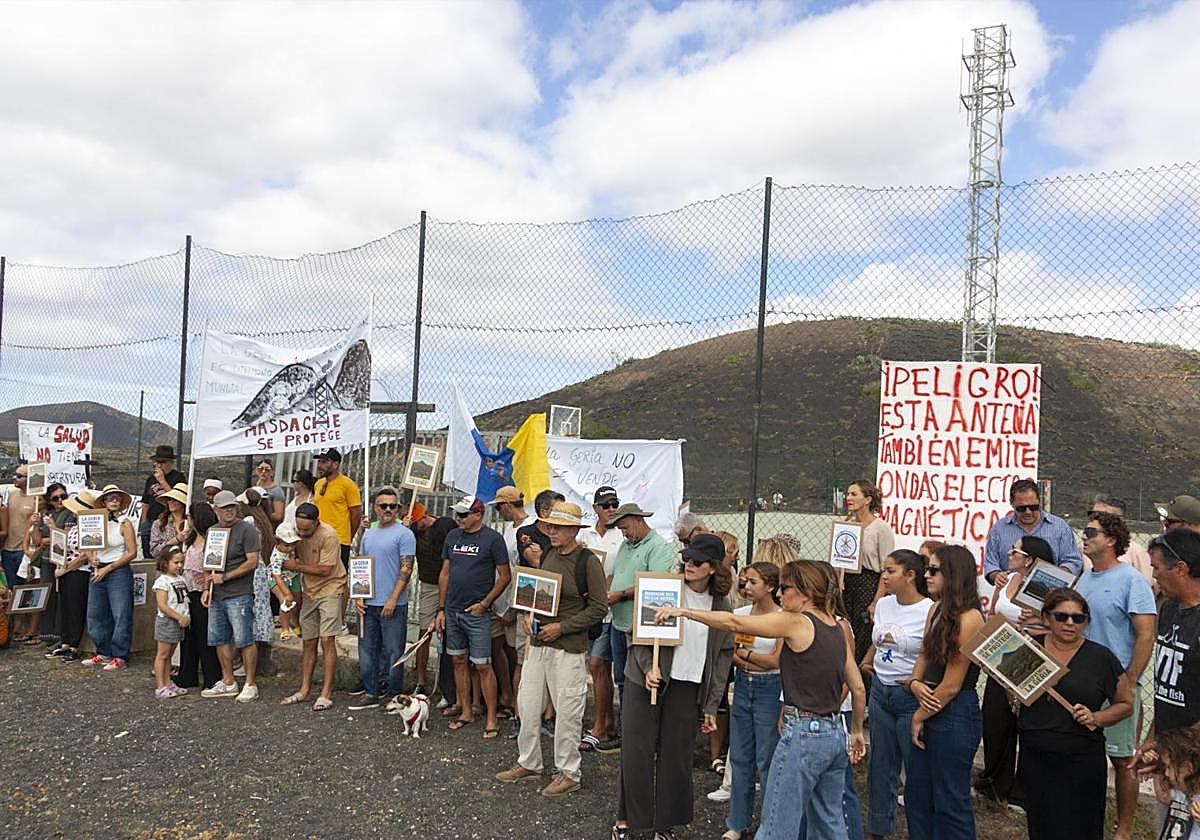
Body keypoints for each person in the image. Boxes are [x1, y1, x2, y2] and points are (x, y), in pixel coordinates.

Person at [656, 556, 864, 840]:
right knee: (830, 822)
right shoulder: (837, 627)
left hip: (802, 733)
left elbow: (731, 621)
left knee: (778, 822)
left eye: (786, 587)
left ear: (805, 592)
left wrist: (684, 612)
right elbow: (858, 687)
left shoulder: (798, 622)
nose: (780, 593)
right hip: (833, 732)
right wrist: (855, 731)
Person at [611, 532, 735, 840]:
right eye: (687, 558)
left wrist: (711, 705)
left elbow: (722, 659)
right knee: (636, 751)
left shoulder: (722, 605)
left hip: (688, 685)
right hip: (646, 679)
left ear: (713, 567)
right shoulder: (664, 587)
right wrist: (647, 667)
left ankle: (664, 825)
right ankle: (626, 818)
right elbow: (638, 634)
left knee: (676, 756)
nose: (689, 564)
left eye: (698, 561)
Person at [495, 502, 608, 797]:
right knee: (529, 704)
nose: (551, 531)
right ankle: (529, 762)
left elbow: (599, 607)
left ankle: (569, 772)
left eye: (557, 527)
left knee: (568, 710)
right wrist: (531, 615)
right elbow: (539, 594)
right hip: (539, 644)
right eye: (550, 526)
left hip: (568, 648)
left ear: (573, 530)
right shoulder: (548, 555)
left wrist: (562, 627)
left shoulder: (587, 562)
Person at [1017, 587, 1133, 840]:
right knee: (1041, 825)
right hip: (1035, 757)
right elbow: (1014, 698)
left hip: (1081, 761)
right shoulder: (1028, 650)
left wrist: (1096, 717)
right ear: (1046, 617)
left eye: (1078, 618)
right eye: (1062, 616)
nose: (1070, 623)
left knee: (1081, 828)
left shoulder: (1101, 657)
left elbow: (1125, 703)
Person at [1075, 511, 1157, 840]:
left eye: (1091, 532)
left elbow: (1145, 635)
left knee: (1123, 759)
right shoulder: (1085, 577)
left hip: (1116, 683)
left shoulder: (1131, 580)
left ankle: (1123, 830)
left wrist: (1129, 679)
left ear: (1110, 540)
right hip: (1083, 680)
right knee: (1084, 751)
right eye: (1084, 531)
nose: (1085, 536)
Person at [905, 544, 985, 840]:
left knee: (951, 800)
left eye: (934, 570)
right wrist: (914, 682)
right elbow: (924, 653)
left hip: (954, 711)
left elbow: (952, 684)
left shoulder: (970, 618)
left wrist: (918, 717)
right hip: (929, 702)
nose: (926, 575)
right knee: (918, 794)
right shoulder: (936, 608)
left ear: (953, 574)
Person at [974, 534, 1055, 806]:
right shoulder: (1007, 579)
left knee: (1027, 721)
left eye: (1015, 551)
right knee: (996, 718)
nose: (1010, 555)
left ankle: (1023, 791)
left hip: (1033, 649)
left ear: (1030, 559)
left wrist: (1038, 619)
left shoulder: (1047, 586)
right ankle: (995, 782)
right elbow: (994, 614)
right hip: (1005, 649)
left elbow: (1055, 623)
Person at [860, 549, 931, 840]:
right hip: (881, 692)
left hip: (908, 696)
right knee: (880, 766)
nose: (884, 576)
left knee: (915, 770)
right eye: (884, 570)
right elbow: (881, 638)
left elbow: (929, 652)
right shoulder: (885, 605)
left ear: (910, 575)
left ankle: (921, 830)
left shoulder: (929, 610)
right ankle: (878, 829)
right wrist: (867, 660)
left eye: (891, 571)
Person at [435, 495, 511, 738]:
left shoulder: (493, 539)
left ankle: (491, 718)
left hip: (477, 613)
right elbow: (445, 573)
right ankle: (466, 711)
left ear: (478, 515)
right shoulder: (452, 537)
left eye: (464, 514)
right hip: (453, 610)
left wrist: (485, 603)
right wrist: (441, 608)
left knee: (482, 665)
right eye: (457, 514)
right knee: (458, 661)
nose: (459, 518)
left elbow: (505, 575)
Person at [1131, 530, 1200, 787]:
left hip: (1190, 760)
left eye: (1157, 567)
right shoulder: (1169, 609)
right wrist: (1154, 741)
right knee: (1169, 825)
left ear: (1181, 568)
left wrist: (1177, 752)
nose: (1154, 575)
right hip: (1170, 757)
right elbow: (1163, 690)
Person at [721, 561, 783, 840]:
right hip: (745, 687)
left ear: (770, 586)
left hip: (771, 689)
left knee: (767, 758)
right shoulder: (741, 613)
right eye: (745, 581)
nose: (746, 586)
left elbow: (774, 662)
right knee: (740, 755)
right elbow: (729, 651)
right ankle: (738, 821)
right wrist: (749, 659)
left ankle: (770, 824)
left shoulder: (783, 617)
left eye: (753, 582)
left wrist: (744, 656)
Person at [350, 487, 415, 710]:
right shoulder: (368, 533)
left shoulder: (405, 534)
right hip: (368, 603)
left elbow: (406, 569)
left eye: (393, 506)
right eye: (383, 505)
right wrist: (358, 596)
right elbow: (360, 563)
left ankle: (395, 695)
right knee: (367, 650)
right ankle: (370, 691)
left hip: (393, 605)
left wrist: (392, 599)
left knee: (394, 651)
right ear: (375, 507)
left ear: (398, 508)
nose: (388, 509)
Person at [607, 502, 676, 704]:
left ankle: (632, 727)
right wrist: (609, 592)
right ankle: (624, 726)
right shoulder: (625, 545)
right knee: (620, 677)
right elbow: (616, 573)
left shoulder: (658, 547)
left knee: (637, 680)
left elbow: (656, 587)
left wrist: (620, 595)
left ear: (639, 520)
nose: (623, 533)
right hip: (619, 623)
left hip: (639, 629)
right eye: (620, 530)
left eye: (625, 528)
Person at [280, 502, 346, 711]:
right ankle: (305, 688)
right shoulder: (294, 532)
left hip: (331, 587)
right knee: (308, 641)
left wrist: (296, 566)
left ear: (317, 523)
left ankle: (326, 692)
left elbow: (326, 570)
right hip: (309, 591)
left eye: (307, 530)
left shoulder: (329, 535)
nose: (302, 533)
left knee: (327, 639)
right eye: (299, 528)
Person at [199, 490, 262, 702]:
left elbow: (252, 561)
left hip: (239, 593)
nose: (229, 511)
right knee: (219, 638)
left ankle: (250, 683)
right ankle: (228, 681)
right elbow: (208, 562)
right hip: (217, 594)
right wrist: (208, 588)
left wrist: (225, 577)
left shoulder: (247, 529)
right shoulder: (212, 531)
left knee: (244, 638)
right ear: (215, 509)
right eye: (224, 507)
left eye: (231, 507)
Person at [578, 485, 624, 753]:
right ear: (595, 507)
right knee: (599, 669)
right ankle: (605, 723)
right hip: (589, 610)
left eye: (614, 504)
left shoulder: (623, 536)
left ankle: (599, 727)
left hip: (612, 610)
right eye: (605, 505)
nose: (610, 509)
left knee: (597, 666)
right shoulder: (584, 535)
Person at [81, 484, 138, 671]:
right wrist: (92, 558)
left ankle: (120, 655)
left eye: (117, 498)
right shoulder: (96, 521)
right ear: (104, 501)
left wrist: (109, 569)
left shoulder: (125, 523)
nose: (114, 500)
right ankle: (102, 651)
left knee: (120, 613)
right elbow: (88, 546)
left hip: (117, 570)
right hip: (99, 569)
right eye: (110, 498)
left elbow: (132, 552)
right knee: (96, 613)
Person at [984, 478, 1082, 584]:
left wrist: (1056, 578)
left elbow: (1073, 561)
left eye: (1033, 507)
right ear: (1012, 504)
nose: (1028, 512)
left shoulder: (1060, 527)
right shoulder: (999, 529)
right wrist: (997, 576)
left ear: (1039, 501)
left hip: (1050, 593)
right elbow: (991, 564)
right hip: (1009, 592)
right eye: (1021, 508)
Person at [843, 479, 895, 673]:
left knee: (863, 632)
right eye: (847, 494)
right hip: (848, 583)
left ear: (867, 499)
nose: (848, 498)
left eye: (854, 494)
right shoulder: (845, 524)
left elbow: (885, 568)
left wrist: (876, 601)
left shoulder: (881, 528)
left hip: (869, 583)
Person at [411, 501, 456, 701]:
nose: (414, 525)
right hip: (428, 584)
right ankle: (420, 682)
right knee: (424, 631)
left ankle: (449, 686)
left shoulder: (445, 526)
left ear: (424, 516)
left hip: (450, 583)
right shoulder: (411, 532)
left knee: (449, 635)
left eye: (416, 521)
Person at [177, 502, 222, 690]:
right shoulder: (191, 539)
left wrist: (207, 587)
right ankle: (187, 673)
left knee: (204, 635)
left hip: (202, 590)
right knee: (188, 635)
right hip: (188, 590)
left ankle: (211, 676)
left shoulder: (211, 540)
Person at [46, 491, 94, 662]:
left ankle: (74, 645)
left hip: (80, 572)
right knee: (65, 606)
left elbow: (83, 556)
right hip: (66, 570)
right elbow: (63, 544)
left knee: (75, 608)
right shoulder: (74, 527)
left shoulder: (90, 528)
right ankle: (65, 641)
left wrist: (65, 569)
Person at [3, 465, 38, 643]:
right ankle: (17, 626)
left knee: (30, 589)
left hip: (25, 550)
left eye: (19, 476)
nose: (14, 478)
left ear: (29, 478)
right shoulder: (12, 495)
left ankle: (33, 629)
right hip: (8, 549)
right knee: (14, 589)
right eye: (15, 475)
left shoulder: (37, 499)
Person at [152, 546, 192, 699]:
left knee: (170, 654)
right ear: (165, 563)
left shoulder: (180, 579)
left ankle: (168, 682)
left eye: (181, 562)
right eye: (176, 562)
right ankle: (160, 685)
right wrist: (178, 616)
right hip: (167, 621)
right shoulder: (162, 581)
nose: (179, 566)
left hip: (179, 621)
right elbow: (162, 605)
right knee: (162, 654)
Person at [313, 447, 362, 570]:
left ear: (335, 464)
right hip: (318, 538)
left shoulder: (348, 484)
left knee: (337, 579)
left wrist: (348, 537)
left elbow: (356, 514)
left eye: (324, 462)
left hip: (338, 540)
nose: (320, 465)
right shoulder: (318, 484)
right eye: (319, 462)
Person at [1090, 493, 1153, 584]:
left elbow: (1147, 586)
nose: (1095, 520)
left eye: (1102, 517)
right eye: (1093, 515)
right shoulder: (1084, 548)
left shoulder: (1136, 552)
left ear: (1120, 520)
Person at [139, 445, 184, 559]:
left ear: (171, 462)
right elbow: (146, 502)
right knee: (149, 553)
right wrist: (144, 522)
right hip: (151, 520)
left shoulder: (178, 477)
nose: (159, 465)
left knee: (167, 553)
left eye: (162, 462)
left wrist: (162, 481)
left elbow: (177, 497)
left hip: (168, 520)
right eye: (157, 462)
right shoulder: (151, 479)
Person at [149, 483, 190, 563]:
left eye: (174, 500)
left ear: (183, 502)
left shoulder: (191, 523)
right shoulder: (159, 523)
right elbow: (154, 551)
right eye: (169, 499)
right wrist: (175, 540)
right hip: (166, 567)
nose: (170, 502)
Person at [253, 458, 286, 525]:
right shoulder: (254, 489)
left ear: (272, 473)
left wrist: (261, 514)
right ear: (257, 471)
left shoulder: (276, 491)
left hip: (269, 527)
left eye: (267, 470)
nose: (263, 472)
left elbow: (278, 516)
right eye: (261, 469)